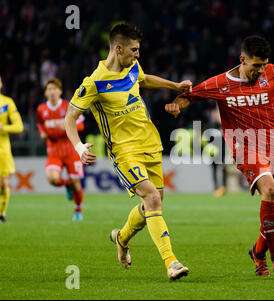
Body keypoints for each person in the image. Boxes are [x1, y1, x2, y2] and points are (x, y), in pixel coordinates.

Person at [165, 35, 274, 276]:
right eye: (255, 65)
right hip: (245, 148)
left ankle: (258, 252)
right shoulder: (220, 83)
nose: (260, 70)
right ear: (242, 60)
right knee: (268, 191)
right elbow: (189, 96)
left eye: (263, 65)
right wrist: (177, 104)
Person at [64, 23, 192, 280]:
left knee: (152, 206)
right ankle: (171, 262)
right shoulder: (95, 82)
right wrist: (78, 147)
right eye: (134, 50)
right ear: (118, 48)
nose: (138, 54)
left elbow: (144, 79)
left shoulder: (131, 66)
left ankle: (121, 238)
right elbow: (69, 116)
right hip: (124, 152)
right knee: (153, 199)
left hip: (151, 144)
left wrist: (174, 85)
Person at [36, 78, 85, 221]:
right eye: (49, 89)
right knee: (52, 178)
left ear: (60, 91)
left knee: (77, 184)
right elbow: (39, 123)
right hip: (54, 150)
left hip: (71, 149)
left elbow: (81, 125)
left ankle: (78, 210)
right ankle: (66, 184)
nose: (52, 92)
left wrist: (66, 126)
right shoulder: (41, 109)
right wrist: (41, 132)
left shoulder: (68, 106)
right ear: (45, 92)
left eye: (54, 89)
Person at [0, 75, 24, 223]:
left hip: (2, 150)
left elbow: (19, 126)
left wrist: (3, 127)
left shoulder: (7, 103)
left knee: (3, 184)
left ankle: (2, 213)